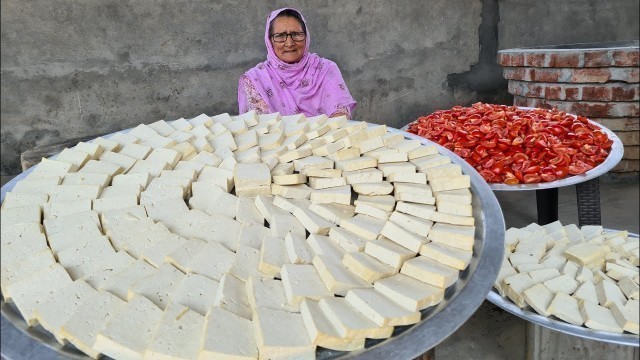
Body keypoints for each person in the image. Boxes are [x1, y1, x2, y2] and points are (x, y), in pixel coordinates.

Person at [238, 8, 357, 118]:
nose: (289, 43)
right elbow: (260, 129)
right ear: (269, 41)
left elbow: (340, 120)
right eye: (280, 36)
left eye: (296, 34)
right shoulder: (255, 79)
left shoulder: (325, 69)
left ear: (306, 37)